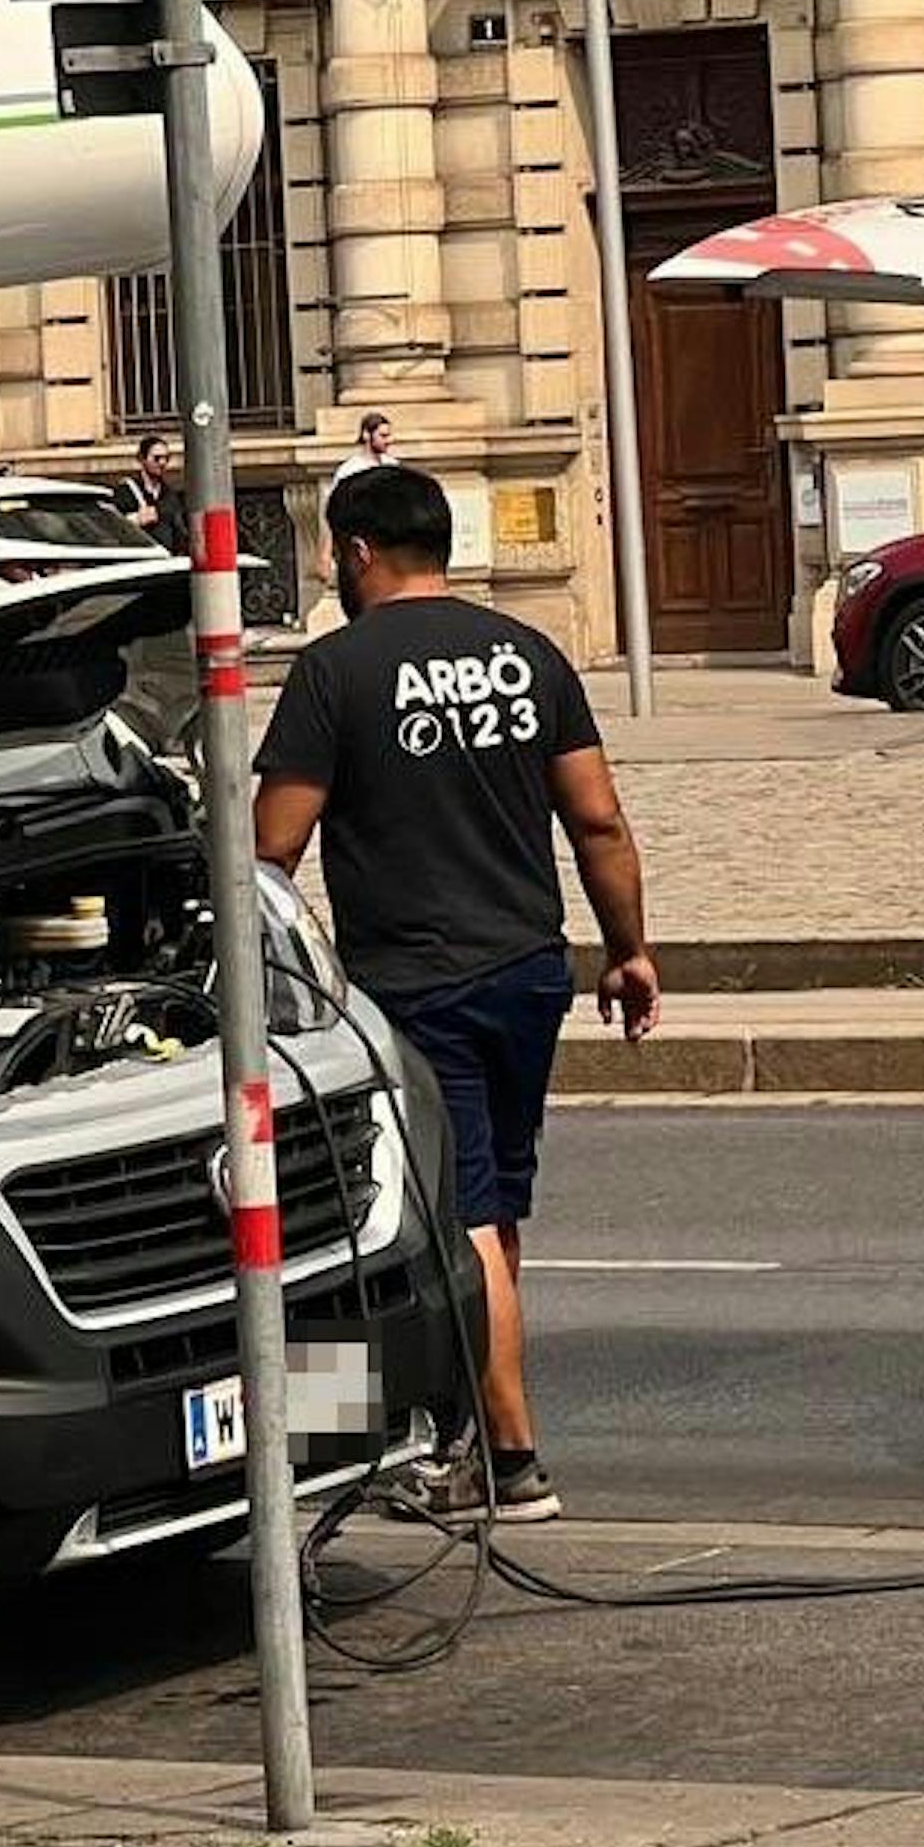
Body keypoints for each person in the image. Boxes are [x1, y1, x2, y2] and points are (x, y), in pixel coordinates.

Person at [254, 462, 659, 1523]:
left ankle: (504, 1460)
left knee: (414, 1216)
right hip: (528, 969)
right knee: (487, 1210)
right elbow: (600, 821)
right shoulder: (529, 654)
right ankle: (452, 1434)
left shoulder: (333, 671)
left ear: (353, 552)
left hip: (412, 983)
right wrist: (629, 951)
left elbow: (270, 847)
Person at [317, 410, 396, 588]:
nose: (388, 440)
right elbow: (333, 511)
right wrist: (325, 553)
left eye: (388, 435)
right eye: (383, 435)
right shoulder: (350, 471)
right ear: (366, 435)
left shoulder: (392, 466)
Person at [114, 431, 186, 553]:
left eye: (166, 458)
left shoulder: (170, 493)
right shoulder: (126, 490)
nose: (162, 463)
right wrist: (136, 519)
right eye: (157, 458)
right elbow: (115, 528)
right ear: (142, 459)